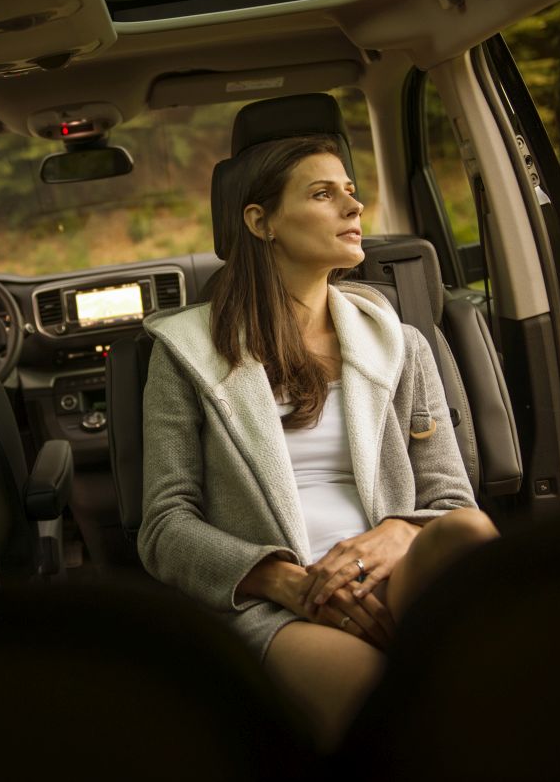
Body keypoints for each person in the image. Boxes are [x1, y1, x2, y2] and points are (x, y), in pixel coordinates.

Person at [138, 133, 499, 748]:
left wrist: (398, 532)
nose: (354, 207)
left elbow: (450, 499)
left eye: (351, 192)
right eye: (324, 194)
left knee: (470, 531)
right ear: (262, 222)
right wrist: (285, 581)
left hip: (394, 572)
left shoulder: (399, 343)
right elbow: (165, 526)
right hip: (275, 602)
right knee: (381, 708)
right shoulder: (186, 352)